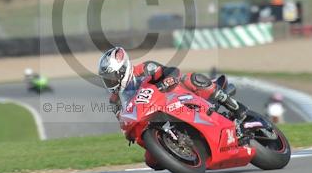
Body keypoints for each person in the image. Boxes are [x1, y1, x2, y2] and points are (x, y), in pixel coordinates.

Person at [97, 47, 247, 120]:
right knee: (152, 161)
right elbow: (124, 120)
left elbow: (173, 72)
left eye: (111, 76)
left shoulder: (144, 68)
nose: (110, 82)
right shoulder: (115, 100)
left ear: (122, 69)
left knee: (190, 79)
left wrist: (163, 84)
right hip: (158, 115)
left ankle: (233, 105)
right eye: (107, 79)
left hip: (176, 96)